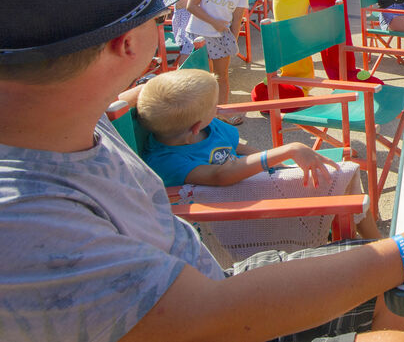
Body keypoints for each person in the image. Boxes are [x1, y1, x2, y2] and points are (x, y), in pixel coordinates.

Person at [0, 0, 404, 342]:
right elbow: (206, 321)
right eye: (159, 17)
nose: (166, 25)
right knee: (395, 318)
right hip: (212, 314)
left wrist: (134, 93)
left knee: (392, 284)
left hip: (211, 284)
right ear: (123, 46)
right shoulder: (12, 224)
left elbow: (119, 100)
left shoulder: (58, 110)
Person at [134, 69, 380, 240]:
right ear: (196, 126)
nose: (220, 108)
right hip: (229, 209)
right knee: (341, 177)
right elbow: (221, 175)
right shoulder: (167, 160)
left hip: (251, 184)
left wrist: (279, 166)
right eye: (215, 107)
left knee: (332, 175)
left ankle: (359, 237)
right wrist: (286, 150)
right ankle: (375, 245)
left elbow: (238, 150)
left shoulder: (204, 128)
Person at [186, 0, 249, 111]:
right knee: (195, 76)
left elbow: (236, 21)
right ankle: (195, 112)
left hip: (221, 38)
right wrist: (215, 23)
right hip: (197, 35)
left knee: (221, 77)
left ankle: (220, 111)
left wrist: (232, 43)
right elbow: (191, 6)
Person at [167, 0, 208, 66]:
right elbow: (195, 5)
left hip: (199, 30)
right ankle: (183, 74)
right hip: (186, 33)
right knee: (187, 53)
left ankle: (206, 74)